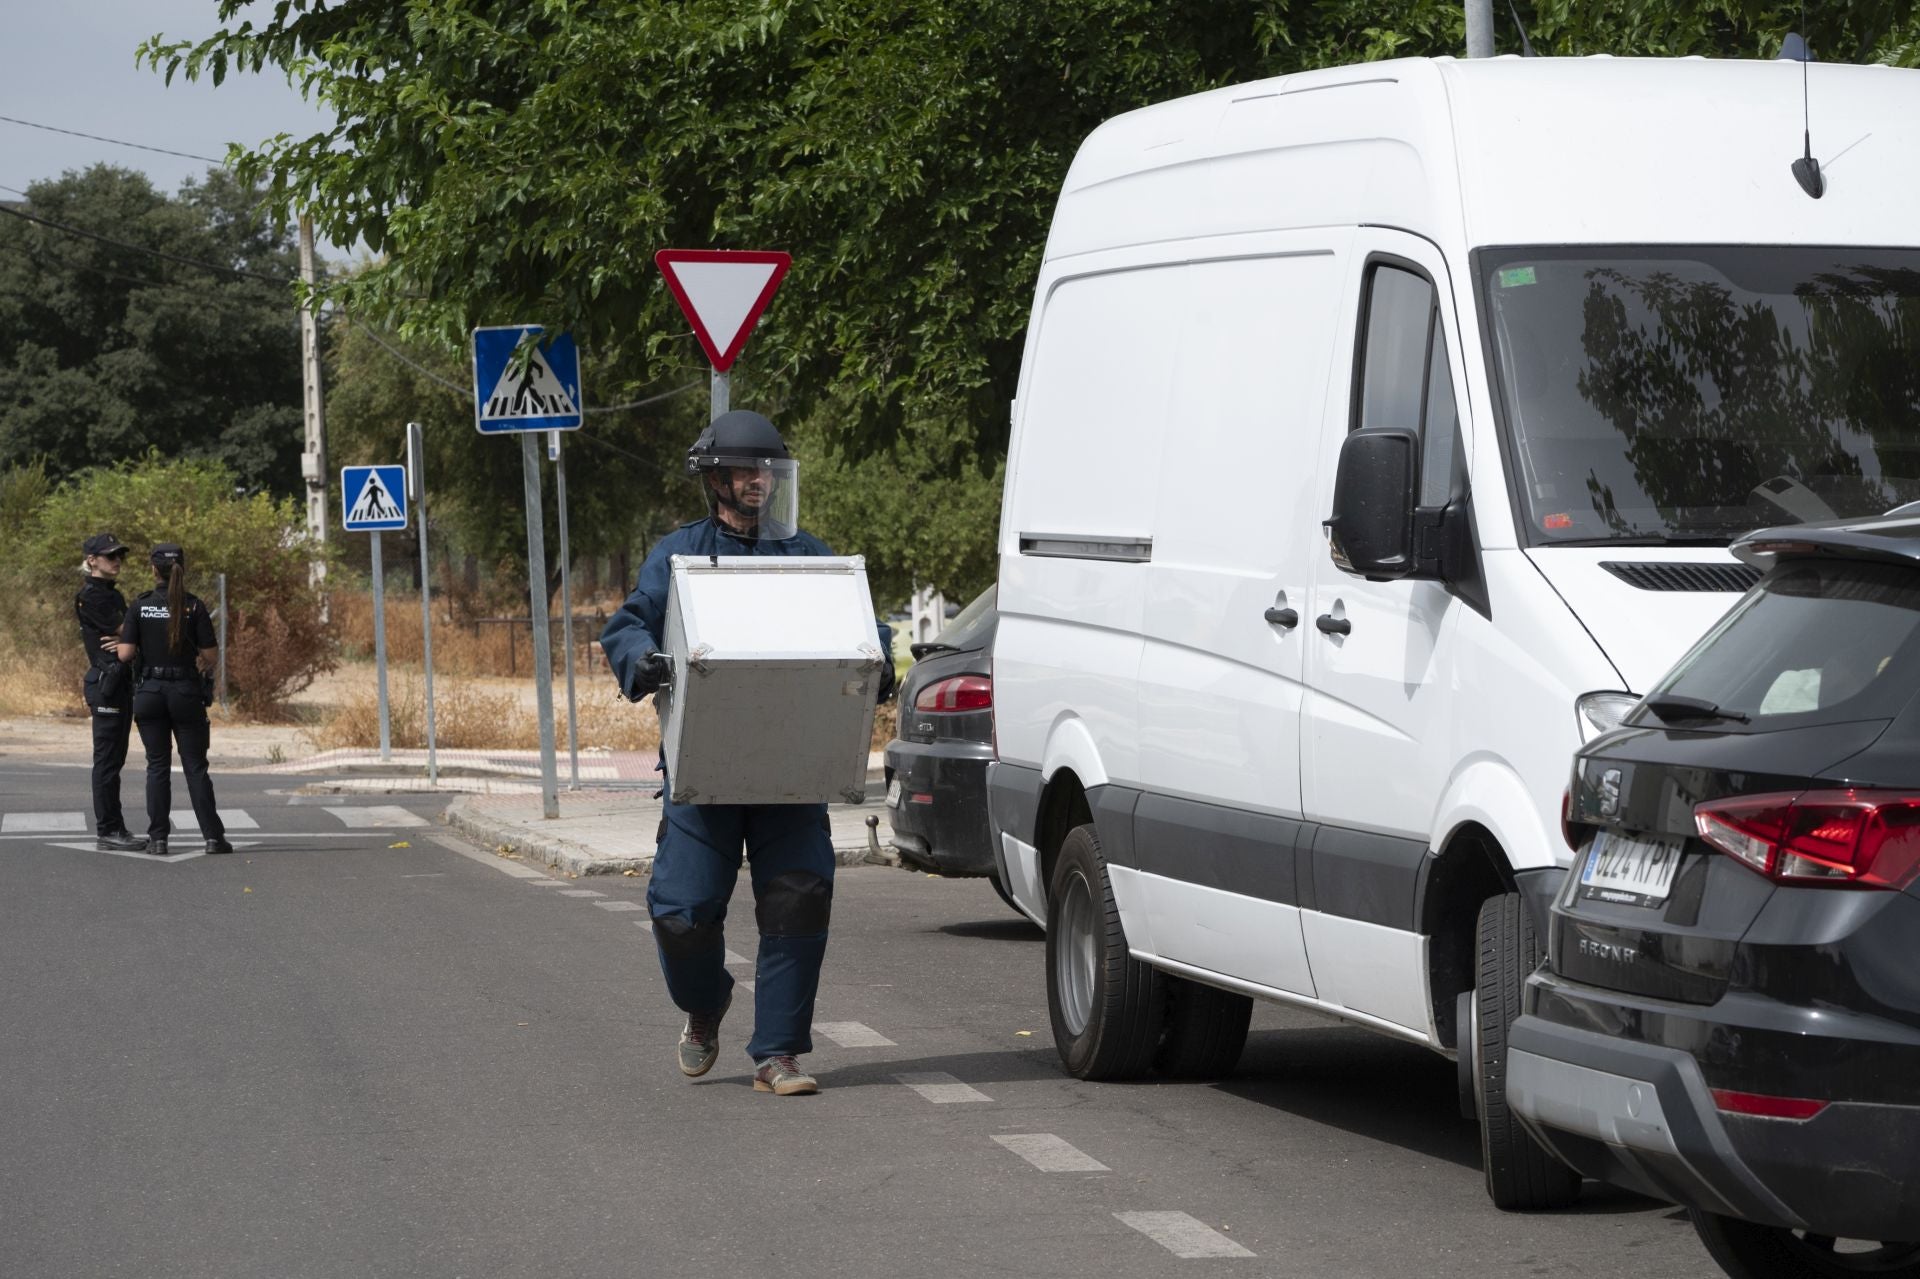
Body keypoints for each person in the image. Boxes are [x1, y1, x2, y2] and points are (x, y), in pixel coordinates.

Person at [601, 410, 896, 1097]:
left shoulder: (813, 557)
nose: (760, 480)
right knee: (681, 911)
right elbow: (628, 623)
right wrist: (640, 660)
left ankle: (778, 1054)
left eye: (769, 470)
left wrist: (880, 658)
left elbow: (862, 621)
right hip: (705, 767)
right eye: (746, 470)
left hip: (793, 768)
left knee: (799, 896)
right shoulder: (677, 556)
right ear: (716, 480)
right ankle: (706, 1005)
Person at [116, 543, 231, 858]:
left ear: (154, 570)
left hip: (150, 693)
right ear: (183, 569)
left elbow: (125, 654)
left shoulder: (140, 606)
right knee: (195, 766)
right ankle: (212, 838)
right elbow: (209, 656)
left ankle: (158, 839)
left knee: (157, 766)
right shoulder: (194, 606)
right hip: (184, 692)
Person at [75, 532, 145, 852]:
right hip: (106, 683)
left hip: (119, 683)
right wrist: (130, 639)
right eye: (110, 556)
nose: (117, 561)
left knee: (114, 761)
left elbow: (129, 635)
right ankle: (108, 830)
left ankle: (115, 828)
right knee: (106, 762)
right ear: (92, 561)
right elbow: (129, 630)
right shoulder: (92, 595)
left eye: (120, 556)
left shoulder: (112, 593)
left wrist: (129, 642)